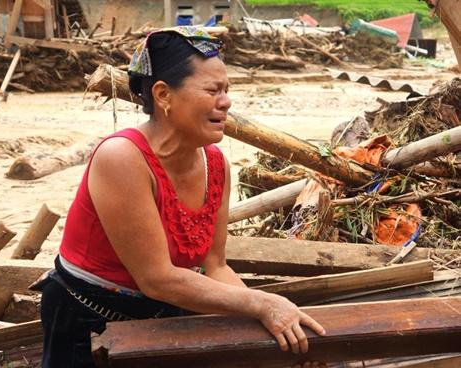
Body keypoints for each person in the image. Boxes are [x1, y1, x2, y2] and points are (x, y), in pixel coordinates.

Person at [37, 26, 326, 368]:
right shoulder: (122, 158)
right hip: (86, 319)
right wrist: (262, 304)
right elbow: (157, 278)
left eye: (227, 90)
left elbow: (215, 266)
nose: (226, 101)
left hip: (164, 314)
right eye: (212, 90)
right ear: (163, 95)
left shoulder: (215, 164)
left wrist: (269, 321)